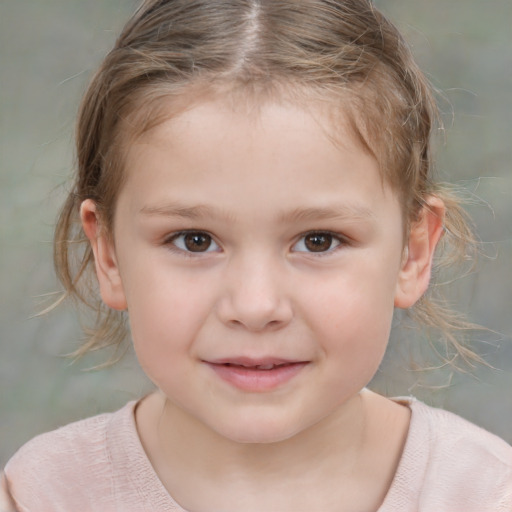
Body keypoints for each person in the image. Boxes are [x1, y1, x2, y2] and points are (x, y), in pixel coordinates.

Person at [2, 0, 511, 510]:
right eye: (194, 240)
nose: (255, 305)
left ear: (412, 253)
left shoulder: (484, 492)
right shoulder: (43, 494)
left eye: (319, 240)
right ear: (108, 253)